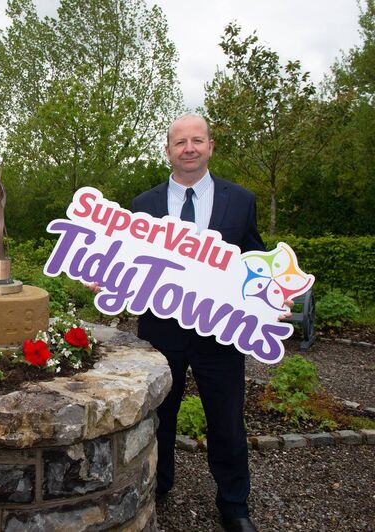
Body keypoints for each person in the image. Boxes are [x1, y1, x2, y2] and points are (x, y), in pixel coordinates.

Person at [131, 114, 268, 532]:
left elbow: (254, 260)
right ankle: (159, 485)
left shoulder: (240, 201)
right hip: (161, 330)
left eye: (197, 140)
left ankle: (235, 505)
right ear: (168, 151)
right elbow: (131, 263)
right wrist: (104, 274)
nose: (188, 148)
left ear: (210, 146)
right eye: (180, 142)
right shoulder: (143, 205)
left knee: (226, 420)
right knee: (160, 415)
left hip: (221, 331)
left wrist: (268, 298)